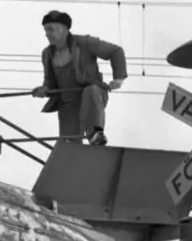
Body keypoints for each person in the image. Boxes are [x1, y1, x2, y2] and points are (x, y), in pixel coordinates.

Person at [32, 9, 127, 146]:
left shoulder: (84, 43)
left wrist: (118, 79)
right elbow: (49, 82)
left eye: (51, 29)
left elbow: (115, 51)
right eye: (45, 30)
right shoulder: (47, 54)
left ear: (63, 28)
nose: (47, 34)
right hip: (68, 103)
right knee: (69, 147)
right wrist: (44, 89)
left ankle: (96, 133)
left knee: (91, 91)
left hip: (92, 97)